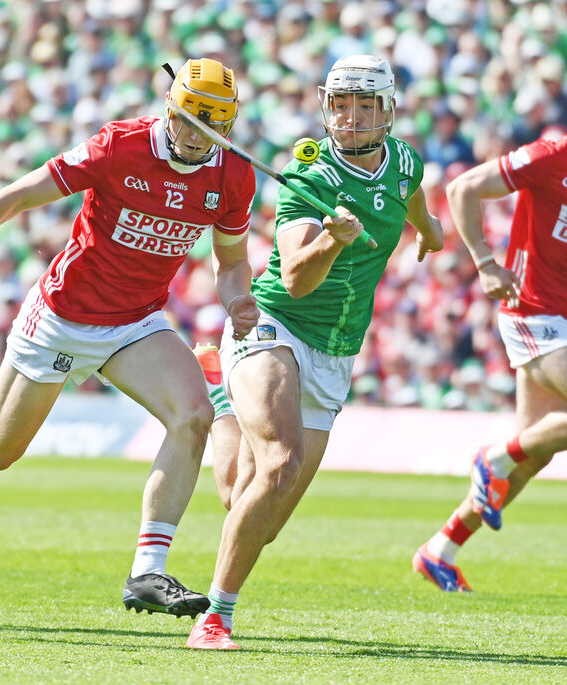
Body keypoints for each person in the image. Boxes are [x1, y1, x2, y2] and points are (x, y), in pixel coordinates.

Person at [0, 58, 260, 618]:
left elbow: (231, 261)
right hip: (63, 317)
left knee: (193, 418)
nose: (197, 136)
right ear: (171, 107)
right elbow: (19, 195)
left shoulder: (233, 175)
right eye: (190, 120)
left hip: (136, 323)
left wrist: (238, 298)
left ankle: (147, 573)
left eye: (214, 125)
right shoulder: (120, 147)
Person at [184, 54, 444, 649]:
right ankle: (216, 617)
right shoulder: (309, 177)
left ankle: (222, 394)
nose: (349, 118)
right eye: (340, 105)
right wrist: (333, 237)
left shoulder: (404, 160)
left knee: (247, 505)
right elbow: (297, 279)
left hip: (337, 350)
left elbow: (409, 196)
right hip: (277, 323)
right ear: (325, 105)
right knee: (280, 465)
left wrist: (427, 231)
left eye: (363, 107)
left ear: (387, 112)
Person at [414, 132, 567, 592]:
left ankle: (441, 549)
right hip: (534, 311)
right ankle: (492, 457)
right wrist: (484, 262)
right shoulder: (554, 153)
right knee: (514, 456)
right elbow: (464, 188)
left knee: (533, 454)